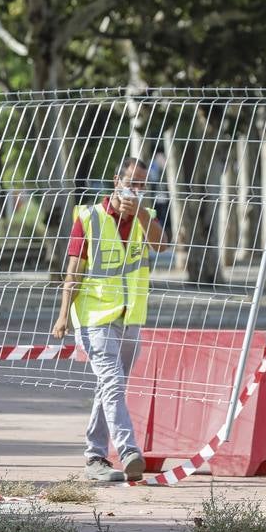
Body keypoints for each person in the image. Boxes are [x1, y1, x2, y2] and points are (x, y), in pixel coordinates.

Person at [51, 157, 169, 482]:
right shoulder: (88, 217)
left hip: (130, 316)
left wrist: (142, 212)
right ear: (117, 179)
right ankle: (129, 450)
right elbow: (72, 270)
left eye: (142, 184)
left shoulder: (147, 217)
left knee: (110, 386)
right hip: (93, 316)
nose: (135, 188)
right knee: (113, 381)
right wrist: (63, 316)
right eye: (131, 181)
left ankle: (94, 458)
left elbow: (162, 245)